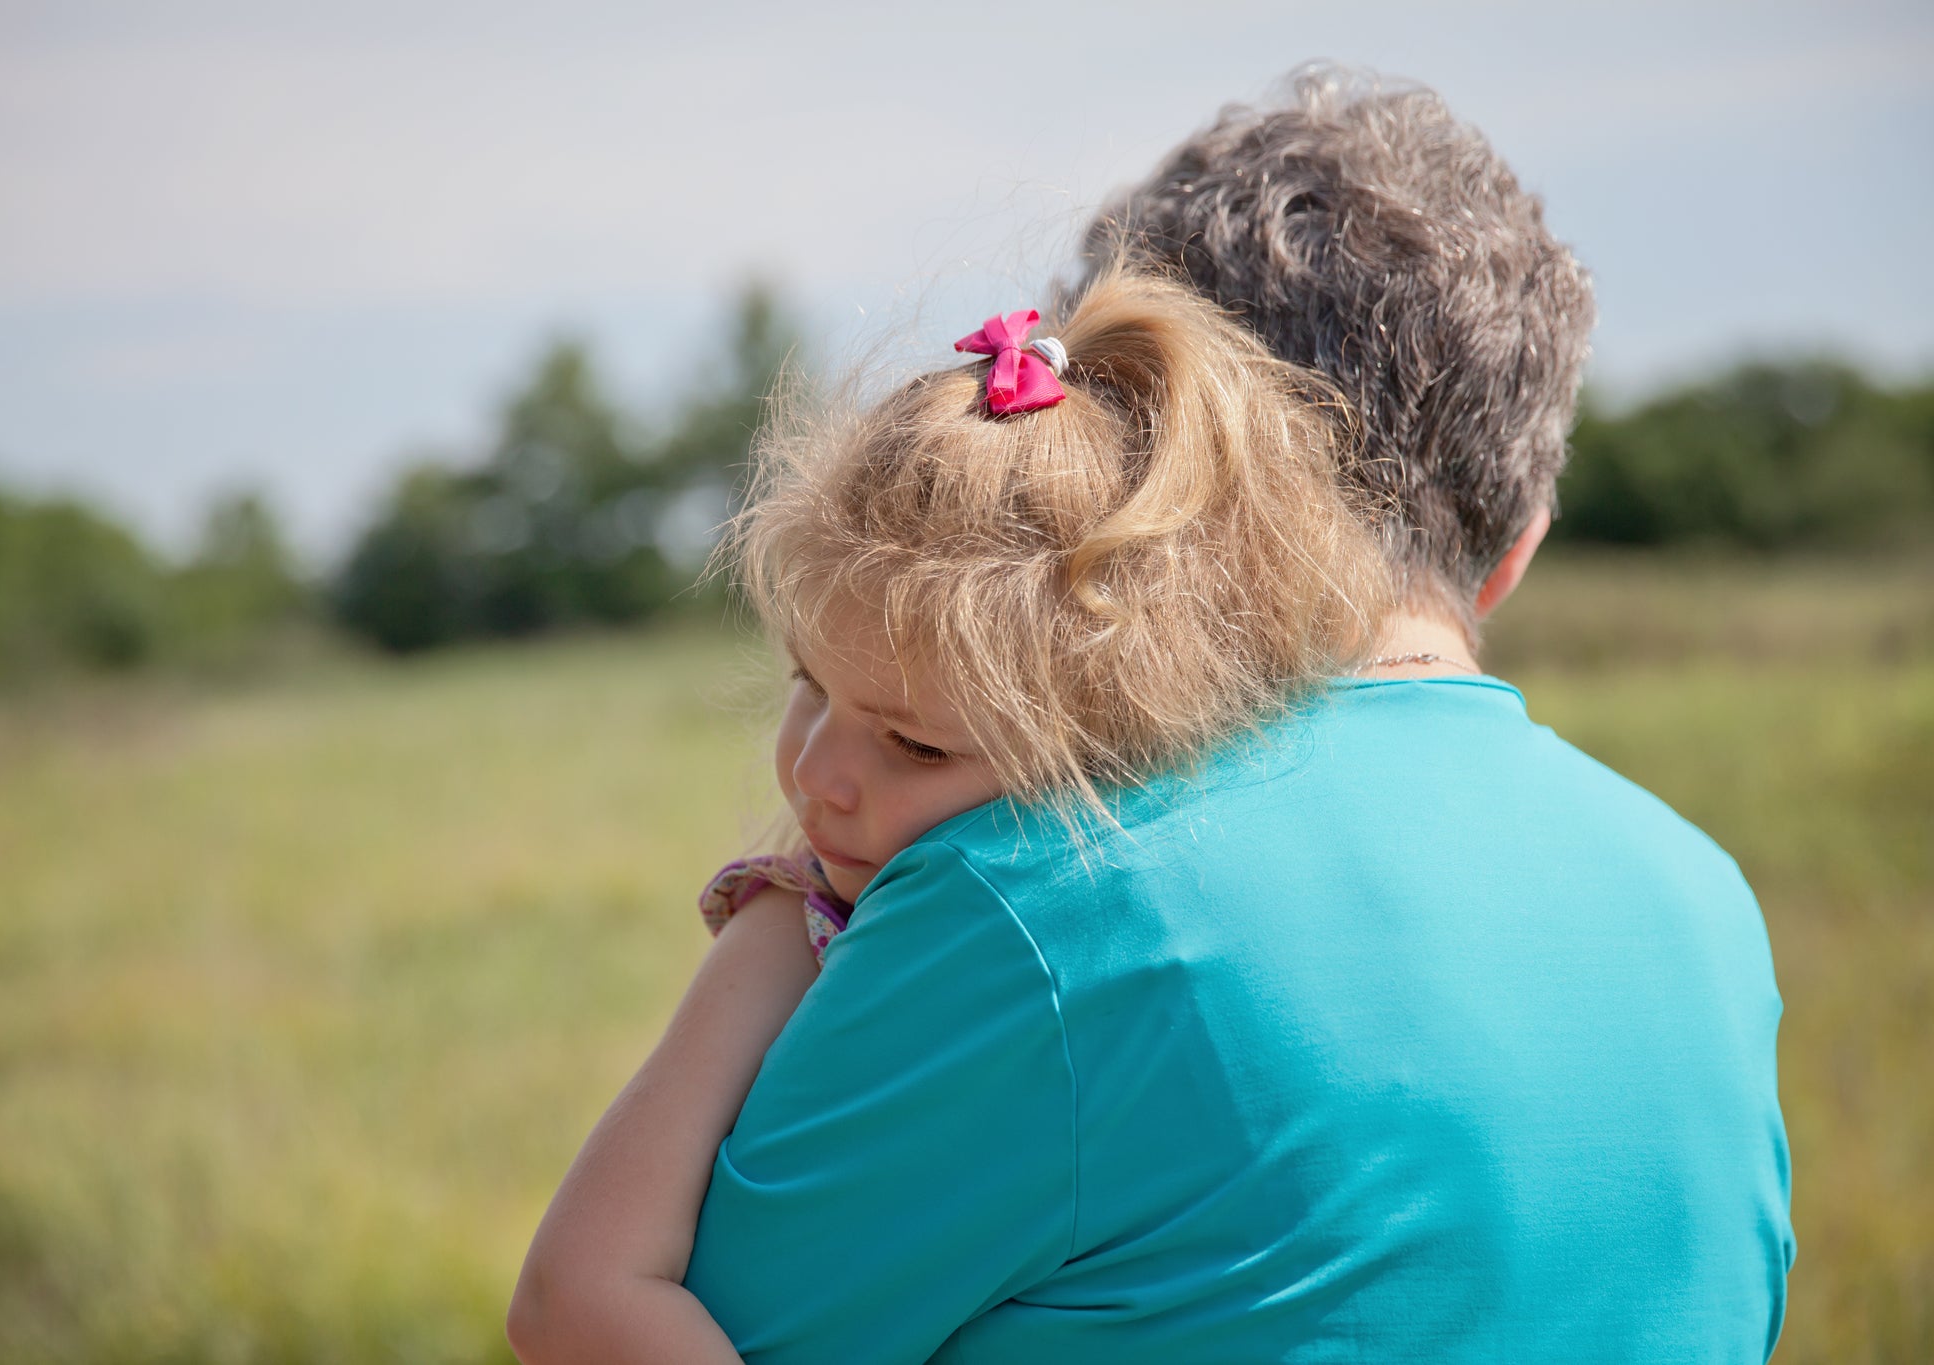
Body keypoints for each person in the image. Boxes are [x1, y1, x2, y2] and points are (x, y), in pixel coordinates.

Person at [510, 69, 1794, 1365]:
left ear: (1126, 508)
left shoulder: (1032, 895)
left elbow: (603, 1311)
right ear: (1516, 546)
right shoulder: (1710, 903)